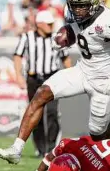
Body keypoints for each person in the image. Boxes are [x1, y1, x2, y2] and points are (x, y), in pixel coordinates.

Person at [0, 0, 110, 164]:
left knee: (98, 134)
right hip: (81, 71)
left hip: (104, 82)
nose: (76, 10)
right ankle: (16, 149)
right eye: (74, 5)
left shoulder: (109, 21)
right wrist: (62, 38)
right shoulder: (73, 14)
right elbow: (76, 32)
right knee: (41, 93)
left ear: (93, 4)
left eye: (81, 5)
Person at [14, 10, 72, 157]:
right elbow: (18, 56)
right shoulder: (27, 37)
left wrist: (71, 75)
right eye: (49, 24)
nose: (51, 26)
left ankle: (51, 148)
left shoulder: (56, 38)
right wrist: (18, 76)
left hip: (52, 77)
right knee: (35, 114)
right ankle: (40, 148)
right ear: (39, 24)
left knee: (52, 112)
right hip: (33, 78)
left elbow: (65, 58)